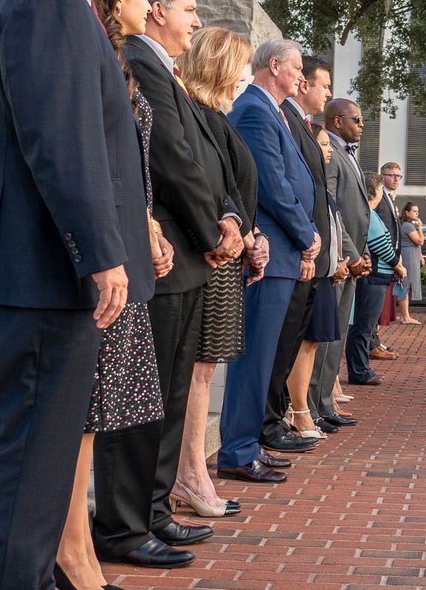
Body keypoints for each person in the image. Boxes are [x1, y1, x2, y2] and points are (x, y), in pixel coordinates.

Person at [0, 0, 154, 590]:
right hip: (37, 276)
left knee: (29, 479)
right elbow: (60, 143)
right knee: (27, 482)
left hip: (28, 272)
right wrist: (103, 254)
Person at [91, 0, 243, 570]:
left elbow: (206, 158)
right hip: (168, 253)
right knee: (141, 401)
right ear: (154, 9)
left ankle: (152, 511)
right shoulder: (144, 65)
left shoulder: (163, 69)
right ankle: (124, 525)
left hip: (186, 258)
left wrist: (227, 219)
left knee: (169, 398)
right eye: (188, 10)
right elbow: (173, 161)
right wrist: (212, 232)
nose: (197, 22)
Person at [53, 0, 174, 590]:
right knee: (81, 415)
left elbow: (129, 166)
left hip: (129, 246)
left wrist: (148, 225)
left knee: (95, 418)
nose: (149, 2)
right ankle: (73, 549)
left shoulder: (120, 59)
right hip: (101, 262)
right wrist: (112, 247)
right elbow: (85, 158)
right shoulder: (92, 48)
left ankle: (77, 546)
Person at [172, 27, 269, 518]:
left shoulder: (217, 118)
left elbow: (232, 189)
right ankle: (189, 473)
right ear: (218, 67)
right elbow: (203, 187)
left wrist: (252, 234)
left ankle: (190, 472)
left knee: (205, 371)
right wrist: (237, 235)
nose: (246, 79)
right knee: (197, 372)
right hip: (209, 257)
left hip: (227, 256)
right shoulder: (203, 115)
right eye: (241, 68)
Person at [216, 39, 319, 484]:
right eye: (297, 68)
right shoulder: (256, 109)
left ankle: (249, 443)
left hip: (282, 252)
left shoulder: (273, 110)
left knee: (264, 356)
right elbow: (274, 185)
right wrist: (306, 233)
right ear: (272, 65)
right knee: (254, 356)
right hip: (271, 250)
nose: (302, 76)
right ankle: (238, 450)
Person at [267, 56, 335, 443]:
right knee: (281, 346)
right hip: (291, 252)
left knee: (295, 342)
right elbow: (283, 186)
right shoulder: (286, 119)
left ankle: (278, 418)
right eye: (323, 84)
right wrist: (306, 242)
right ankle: (275, 420)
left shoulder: (303, 124)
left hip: (307, 254)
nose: (328, 92)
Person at [284, 124, 350, 439]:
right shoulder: (309, 183)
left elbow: (333, 228)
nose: (328, 150)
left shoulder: (321, 185)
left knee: (313, 342)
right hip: (313, 268)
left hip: (324, 268)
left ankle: (306, 408)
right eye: (323, 144)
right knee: (304, 341)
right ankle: (298, 409)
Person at [309, 99, 372, 429]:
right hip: (340, 260)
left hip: (352, 258)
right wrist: (351, 253)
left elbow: (358, 212)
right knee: (327, 338)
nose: (361, 124)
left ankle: (325, 403)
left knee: (338, 337)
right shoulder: (329, 154)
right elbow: (331, 210)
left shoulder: (347, 153)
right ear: (336, 121)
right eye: (356, 119)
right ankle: (315, 407)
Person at [346, 173, 408, 385]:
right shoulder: (369, 215)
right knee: (363, 326)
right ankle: (359, 370)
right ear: (374, 192)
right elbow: (381, 245)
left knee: (366, 325)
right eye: (382, 190)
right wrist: (397, 264)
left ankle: (361, 368)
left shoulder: (371, 214)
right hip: (373, 277)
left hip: (378, 277)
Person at [368, 162, 404, 362]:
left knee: (378, 308)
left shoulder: (390, 199)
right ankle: (371, 344)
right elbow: (381, 233)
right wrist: (395, 261)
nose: (395, 179)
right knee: (373, 310)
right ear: (382, 177)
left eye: (399, 176)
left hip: (389, 260)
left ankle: (375, 340)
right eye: (391, 175)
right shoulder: (379, 200)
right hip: (379, 261)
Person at [397, 202, 425, 324]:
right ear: (407, 213)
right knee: (405, 285)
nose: (417, 213)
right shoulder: (408, 226)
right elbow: (419, 241)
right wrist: (420, 227)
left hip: (411, 256)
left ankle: (404, 315)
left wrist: (420, 256)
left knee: (405, 286)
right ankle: (405, 316)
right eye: (414, 211)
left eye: (417, 211)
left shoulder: (406, 225)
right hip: (408, 257)